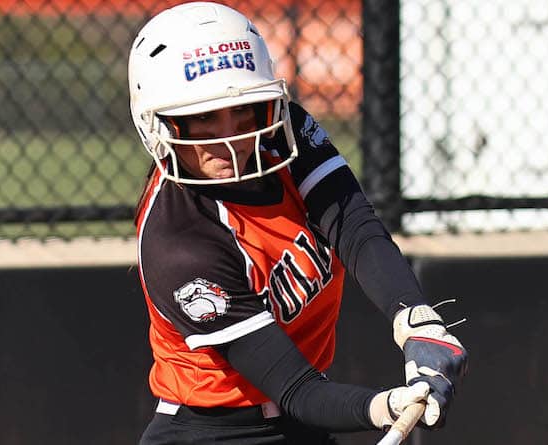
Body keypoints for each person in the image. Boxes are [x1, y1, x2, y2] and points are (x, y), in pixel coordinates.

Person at [129, 2, 468, 444]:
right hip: (210, 432)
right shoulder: (178, 241)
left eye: (244, 109)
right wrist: (383, 407)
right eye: (203, 117)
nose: (230, 134)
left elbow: (355, 227)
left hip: (302, 423)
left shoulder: (283, 133)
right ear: (157, 122)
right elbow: (296, 389)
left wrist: (416, 318)